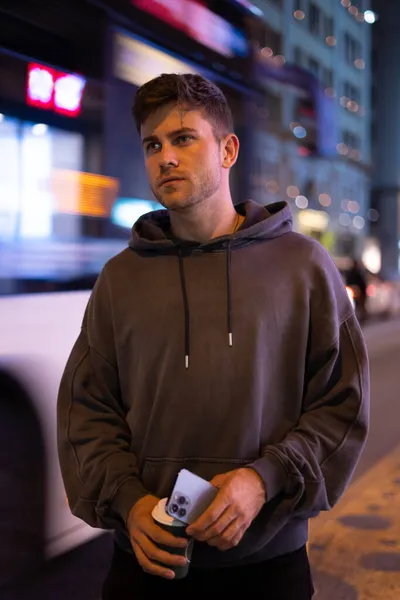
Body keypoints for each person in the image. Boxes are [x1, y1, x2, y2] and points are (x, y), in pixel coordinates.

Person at [57, 73, 370, 600]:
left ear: (227, 150)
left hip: (269, 565)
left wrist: (263, 479)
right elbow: (89, 411)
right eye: (152, 145)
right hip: (146, 563)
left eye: (183, 138)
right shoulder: (121, 277)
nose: (166, 158)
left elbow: (342, 405)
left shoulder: (304, 268)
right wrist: (130, 502)